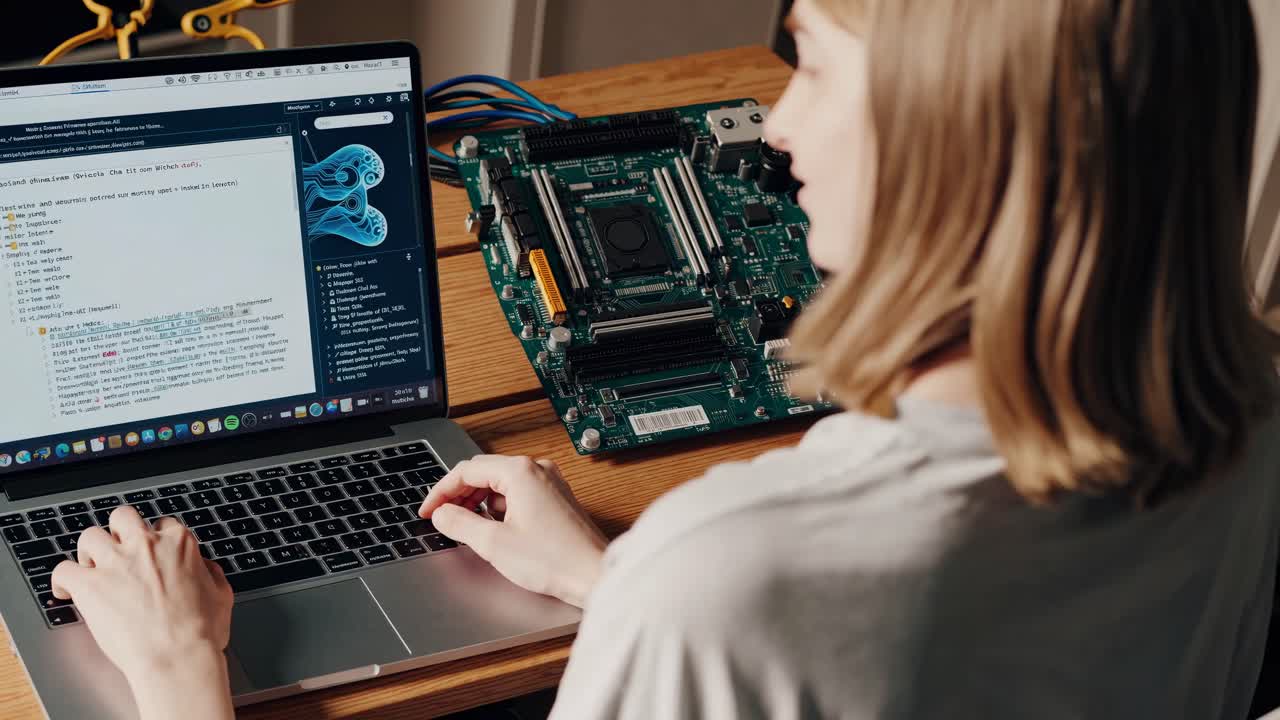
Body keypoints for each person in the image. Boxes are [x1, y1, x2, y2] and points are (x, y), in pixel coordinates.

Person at [50, 0, 1280, 718]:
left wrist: (176, 677)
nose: (776, 125)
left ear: (954, 137)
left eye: (817, 66)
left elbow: (782, 598)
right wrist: (617, 587)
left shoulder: (737, 569)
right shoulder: (1249, 418)